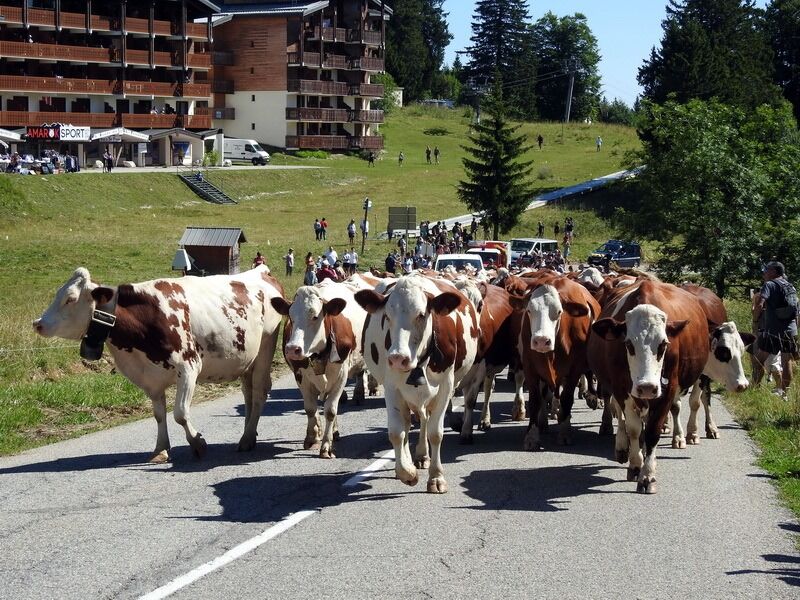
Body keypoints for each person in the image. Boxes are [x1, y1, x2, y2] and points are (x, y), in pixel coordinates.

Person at [754, 261, 798, 397]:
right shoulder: (790, 285)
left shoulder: (769, 285)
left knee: (759, 359)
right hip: (790, 329)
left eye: (767, 270)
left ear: (774, 272)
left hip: (773, 330)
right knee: (787, 361)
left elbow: (760, 304)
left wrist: (756, 319)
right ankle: (784, 394)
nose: (764, 273)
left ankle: (754, 388)